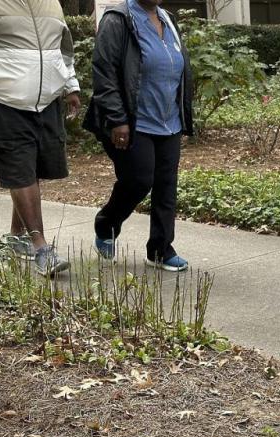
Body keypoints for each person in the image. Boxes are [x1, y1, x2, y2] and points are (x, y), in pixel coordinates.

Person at [0, 0, 82, 276]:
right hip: (0, 100)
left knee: (30, 171)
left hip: (46, 102)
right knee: (19, 171)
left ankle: (17, 237)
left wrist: (70, 85)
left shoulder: (50, 3)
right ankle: (41, 246)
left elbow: (62, 49)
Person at [83, 0, 194, 272]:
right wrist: (117, 118)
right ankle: (107, 224)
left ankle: (160, 249)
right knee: (139, 180)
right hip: (134, 121)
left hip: (169, 120)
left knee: (166, 187)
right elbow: (104, 72)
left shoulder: (167, 19)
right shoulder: (118, 19)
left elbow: (179, 68)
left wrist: (184, 115)